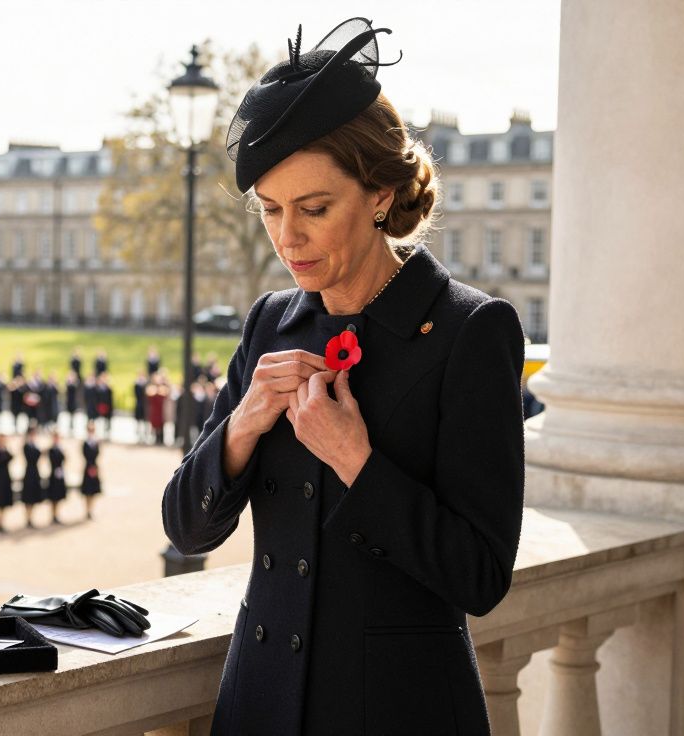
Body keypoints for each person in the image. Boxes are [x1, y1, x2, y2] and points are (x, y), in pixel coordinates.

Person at [160, 19, 525, 734]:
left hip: (401, 711)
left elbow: (480, 576)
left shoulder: (470, 332)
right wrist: (241, 427)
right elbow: (186, 527)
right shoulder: (271, 322)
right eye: (270, 209)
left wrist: (355, 458)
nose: (287, 236)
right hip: (260, 704)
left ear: (381, 194)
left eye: (314, 209)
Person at [19, 427, 44, 529]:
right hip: (29, 472)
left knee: (34, 496)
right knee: (28, 497)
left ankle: (31, 517)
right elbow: (31, 457)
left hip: (35, 473)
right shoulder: (26, 446)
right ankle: (28, 518)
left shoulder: (34, 445)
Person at [80, 422, 102, 521]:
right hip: (88, 466)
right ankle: (87, 510)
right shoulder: (85, 443)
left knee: (93, 490)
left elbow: (98, 454)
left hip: (94, 466)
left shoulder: (96, 442)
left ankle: (91, 510)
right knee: (87, 490)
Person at [46, 430, 67, 525]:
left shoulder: (61, 448)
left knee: (59, 496)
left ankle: (57, 514)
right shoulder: (51, 449)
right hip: (53, 474)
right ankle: (52, 515)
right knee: (53, 496)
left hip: (60, 473)